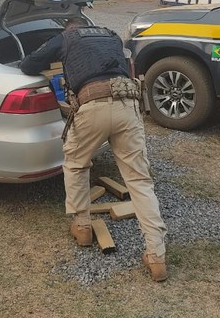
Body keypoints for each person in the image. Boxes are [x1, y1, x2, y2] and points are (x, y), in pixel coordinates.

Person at [20, 18, 168, 282]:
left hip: (92, 104)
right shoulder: (111, 34)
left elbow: (30, 63)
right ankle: (156, 255)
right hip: (128, 104)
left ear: (69, 28)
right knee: (139, 181)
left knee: (76, 163)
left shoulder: (66, 38)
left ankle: (83, 226)